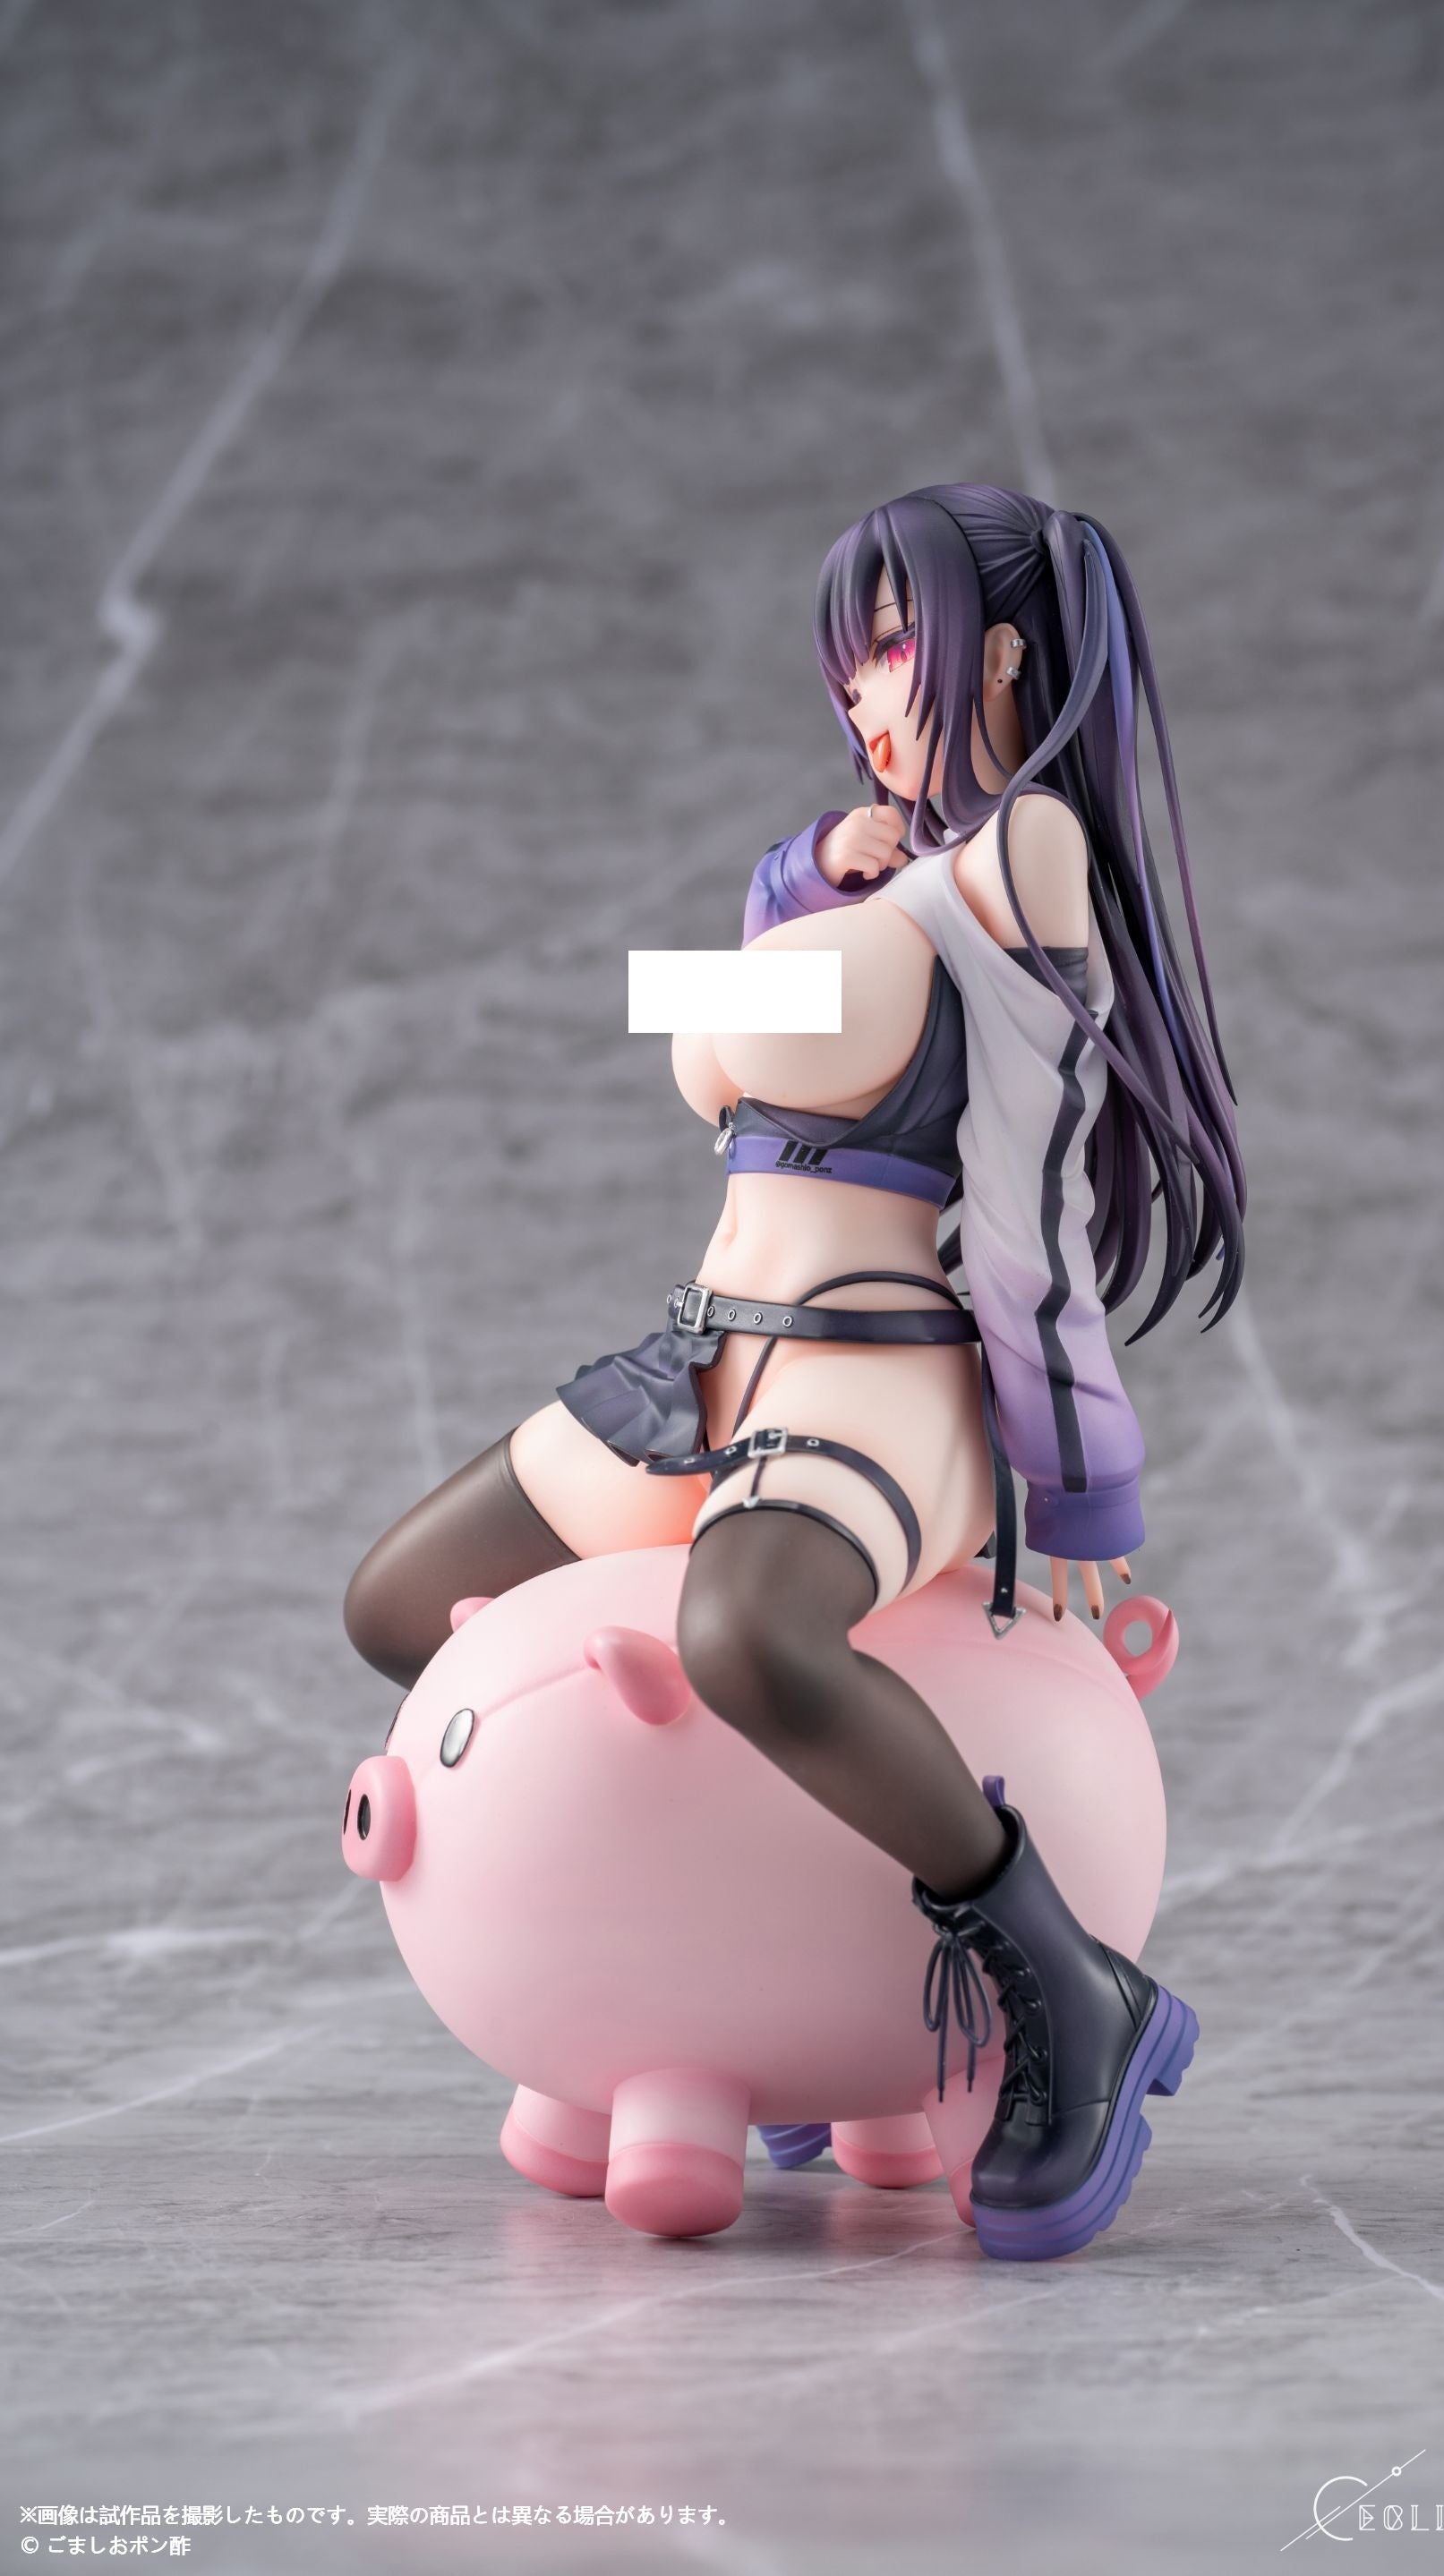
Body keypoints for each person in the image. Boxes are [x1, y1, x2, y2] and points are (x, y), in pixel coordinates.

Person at [341, 483, 1244, 2261]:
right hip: (706, 1367)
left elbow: (1035, 1192)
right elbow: (659, 1007)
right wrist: (803, 873)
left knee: (749, 1637)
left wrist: (1078, 1475)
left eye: (893, 645)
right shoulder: (859, 872)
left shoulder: (1019, 863)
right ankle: (784, 1965)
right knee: (399, 1602)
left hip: (875, 1378)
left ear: (1000, 653)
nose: (860, 689)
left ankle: (1074, 1989)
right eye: (848, 659)